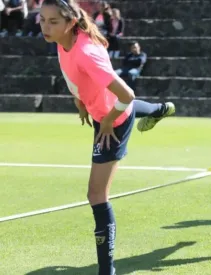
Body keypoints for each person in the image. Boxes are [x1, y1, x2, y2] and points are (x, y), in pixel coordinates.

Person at [39, 0, 175, 274]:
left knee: (96, 194)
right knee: (132, 111)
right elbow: (72, 75)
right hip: (101, 109)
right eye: (42, 19)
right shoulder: (63, 40)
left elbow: (127, 96)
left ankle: (106, 270)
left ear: (70, 23)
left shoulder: (87, 52)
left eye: (53, 22)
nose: (45, 26)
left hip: (113, 117)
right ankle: (161, 109)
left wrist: (108, 121)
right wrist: (80, 102)